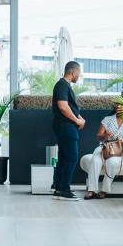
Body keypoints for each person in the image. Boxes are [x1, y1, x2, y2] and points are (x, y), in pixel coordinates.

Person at [84, 91, 123, 200]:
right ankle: (91, 190)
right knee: (96, 159)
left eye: (121, 105)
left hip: (120, 151)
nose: (118, 106)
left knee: (112, 162)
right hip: (105, 148)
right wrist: (106, 136)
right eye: (117, 104)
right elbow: (99, 136)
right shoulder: (108, 119)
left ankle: (104, 190)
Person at [51, 61, 85, 200]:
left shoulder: (64, 86)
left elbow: (70, 106)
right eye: (79, 73)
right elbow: (63, 107)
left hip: (66, 127)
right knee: (72, 157)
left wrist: (80, 118)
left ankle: (59, 189)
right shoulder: (62, 86)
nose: (79, 76)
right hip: (66, 127)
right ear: (73, 72)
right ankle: (65, 189)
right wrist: (77, 121)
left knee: (64, 158)